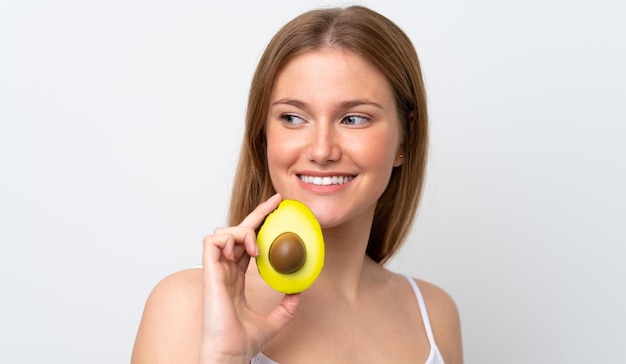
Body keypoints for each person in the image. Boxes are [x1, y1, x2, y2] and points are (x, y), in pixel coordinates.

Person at [131, 5, 462, 363]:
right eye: (292, 117)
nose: (321, 150)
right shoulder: (189, 305)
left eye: (353, 118)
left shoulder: (434, 316)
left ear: (405, 139)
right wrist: (223, 357)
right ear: (264, 136)